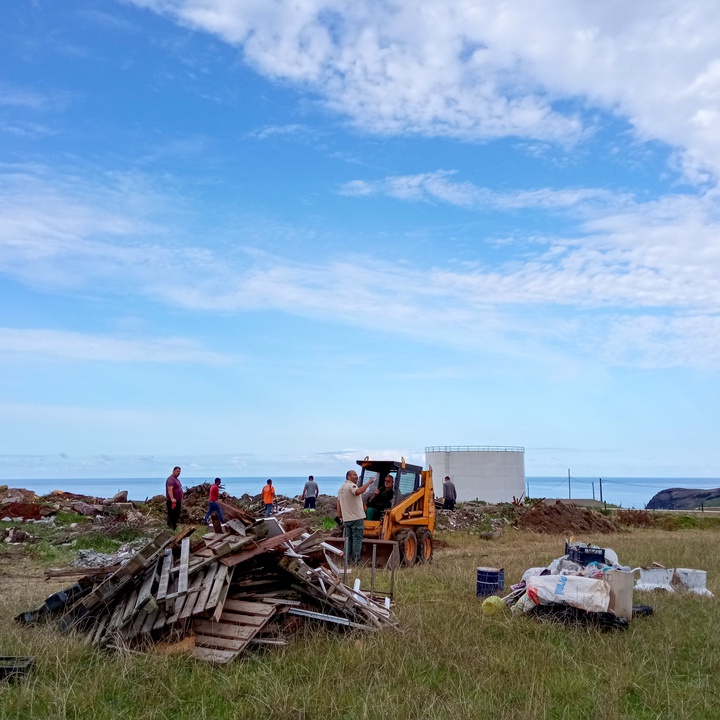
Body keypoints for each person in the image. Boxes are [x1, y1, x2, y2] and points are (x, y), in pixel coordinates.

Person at [337, 469, 374, 564]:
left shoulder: (341, 489)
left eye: (356, 475)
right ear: (349, 477)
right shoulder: (351, 486)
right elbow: (359, 491)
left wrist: (340, 516)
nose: (356, 476)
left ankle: (346, 560)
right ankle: (356, 561)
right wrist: (369, 483)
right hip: (356, 518)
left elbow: (339, 504)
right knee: (357, 540)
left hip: (347, 519)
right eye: (354, 475)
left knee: (348, 540)